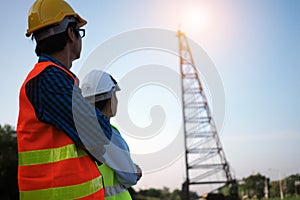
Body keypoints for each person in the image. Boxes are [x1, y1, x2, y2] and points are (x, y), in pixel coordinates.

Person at [17, 0, 112, 199]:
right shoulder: (49, 79)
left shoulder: (52, 78)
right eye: (79, 31)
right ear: (70, 33)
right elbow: (99, 134)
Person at [81, 70, 142, 200]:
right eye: (115, 94)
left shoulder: (78, 130)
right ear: (110, 98)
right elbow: (129, 177)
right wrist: (135, 171)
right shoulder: (108, 133)